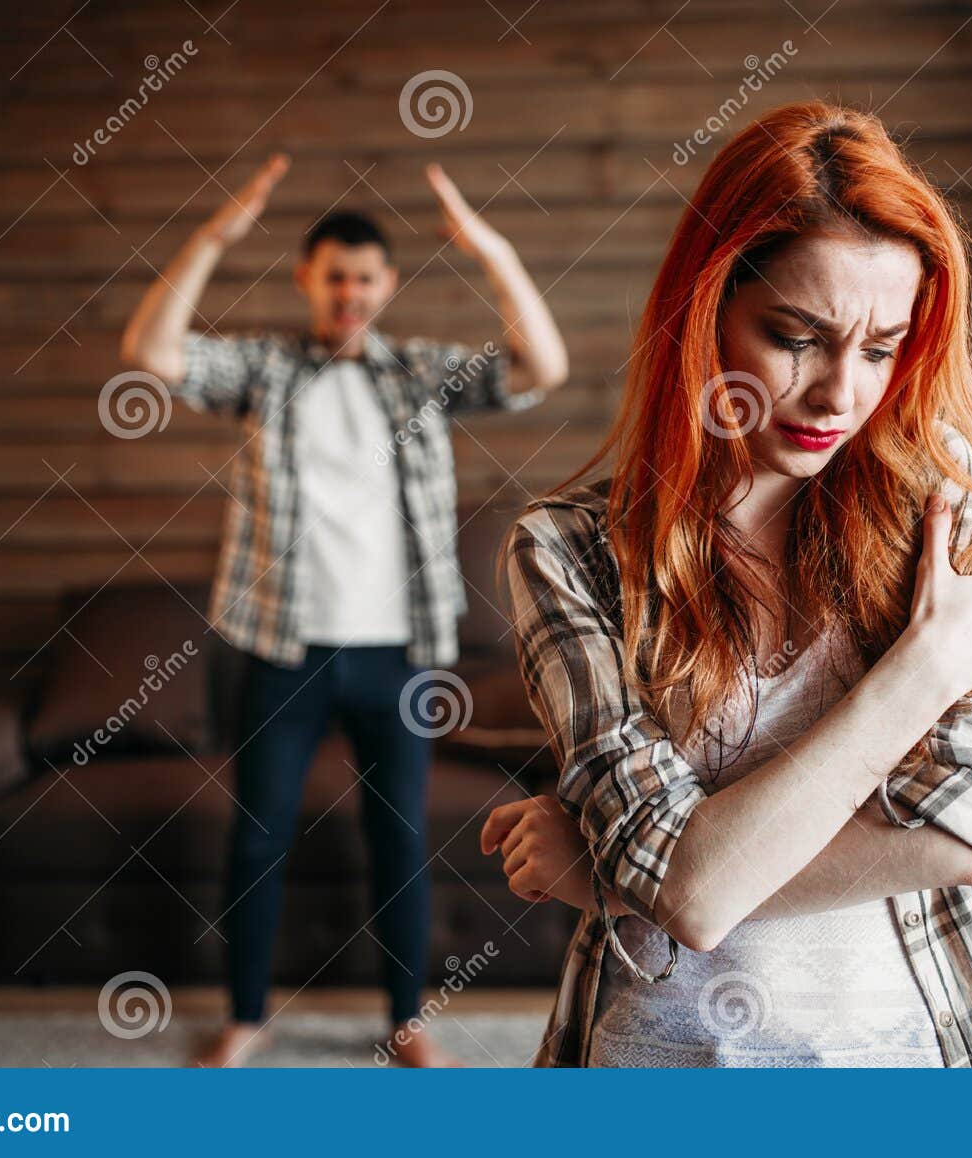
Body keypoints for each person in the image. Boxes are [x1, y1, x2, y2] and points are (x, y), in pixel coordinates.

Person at [479, 100, 972, 1067]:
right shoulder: (566, 552)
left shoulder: (935, 498)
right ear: (705, 315)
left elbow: (967, 830)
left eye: (879, 348)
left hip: (919, 1055)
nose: (841, 393)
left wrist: (623, 875)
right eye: (796, 336)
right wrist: (924, 669)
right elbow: (693, 901)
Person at [120, 153, 568, 1068]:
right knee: (258, 836)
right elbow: (151, 353)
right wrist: (213, 235)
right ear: (308, 280)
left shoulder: (417, 376)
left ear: (385, 284)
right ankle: (247, 1015)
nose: (350, 293)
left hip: (394, 656)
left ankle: (405, 1018)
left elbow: (543, 366)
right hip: (281, 648)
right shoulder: (264, 371)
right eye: (335, 278)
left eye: (365, 278)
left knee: (397, 838)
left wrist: (485, 245)